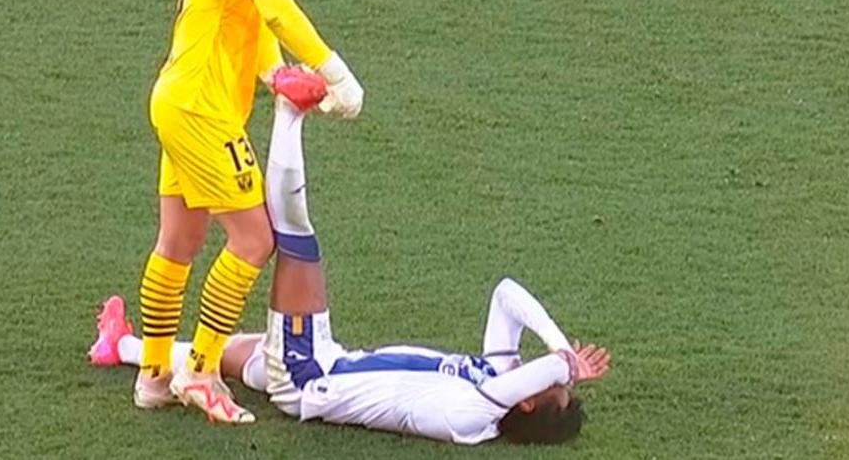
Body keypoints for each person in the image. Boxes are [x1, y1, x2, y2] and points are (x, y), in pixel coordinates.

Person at [92, 98, 612, 442]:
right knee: (226, 353)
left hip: (310, 375)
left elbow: (551, 370)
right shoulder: (498, 375)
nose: (546, 370)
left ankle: (288, 112)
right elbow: (506, 294)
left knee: (297, 241)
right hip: (328, 364)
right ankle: (121, 348)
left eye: (551, 387)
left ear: (527, 405)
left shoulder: (474, 419)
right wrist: (557, 342)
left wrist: (567, 367)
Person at [134, 0, 364, 424]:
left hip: (179, 99)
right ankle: (200, 370)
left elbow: (248, 14)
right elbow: (278, 10)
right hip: (202, 110)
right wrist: (336, 74)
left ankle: (154, 375)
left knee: (178, 242)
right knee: (255, 239)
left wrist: (274, 74)